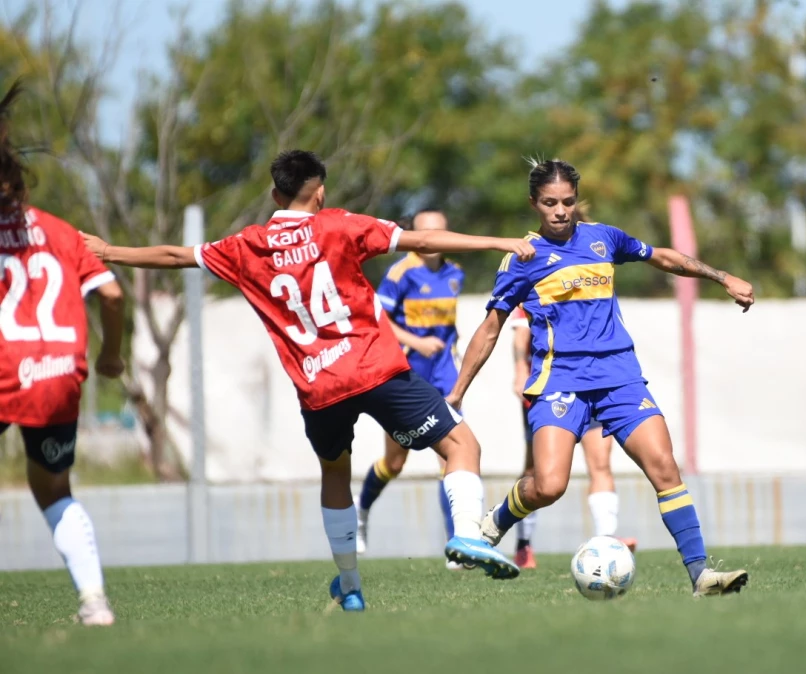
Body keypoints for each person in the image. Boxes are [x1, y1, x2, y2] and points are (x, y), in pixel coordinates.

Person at [82, 150, 536, 611]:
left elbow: (176, 255)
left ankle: (350, 584)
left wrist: (108, 252)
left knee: (334, 472)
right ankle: (466, 535)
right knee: (461, 445)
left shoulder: (248, 245)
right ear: (320, 192)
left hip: (319, 388)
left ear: (275, 194)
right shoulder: (339, 225)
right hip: (374, 367)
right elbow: (422, 238)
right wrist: (498, 242)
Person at [447, 158, 754, 597]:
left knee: (665, 467)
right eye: (549, 203)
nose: (560, 211)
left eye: (567, 201)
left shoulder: (603, 238)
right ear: (533, 203)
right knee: (549, 485)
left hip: (619, 376)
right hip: (560, 382)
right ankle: (496, 521)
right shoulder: (522, 259)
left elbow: (661, 256)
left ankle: (701, 574)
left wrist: (721, 277)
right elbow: (490, 329)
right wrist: (457, 393)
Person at [0, 81, 126, 626]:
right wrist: (111, 356)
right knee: (53, 488)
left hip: (5, 369)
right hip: (58, 374)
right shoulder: (60, 231)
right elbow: (113, 295)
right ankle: (95, 602)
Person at [356, 209, 465, 569]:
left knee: (452, 456)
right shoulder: (400, 273)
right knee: (395, 462)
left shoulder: (455, 273)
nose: (432, 239)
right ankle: (362, 509)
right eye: (425, 232)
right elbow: (378, 320)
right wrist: (415, 343)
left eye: (439, 231)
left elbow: (448, 325)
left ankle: (457, 545)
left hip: (445, 376)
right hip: (405, 376)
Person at [508, 304, 637, 570]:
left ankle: (607, 539)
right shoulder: (537, 282)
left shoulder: (593, 280)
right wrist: (520, 371)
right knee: (535, 470)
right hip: (549, 388)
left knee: (600, 463)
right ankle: (523, 544)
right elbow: (521, 332)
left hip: (593, 382)